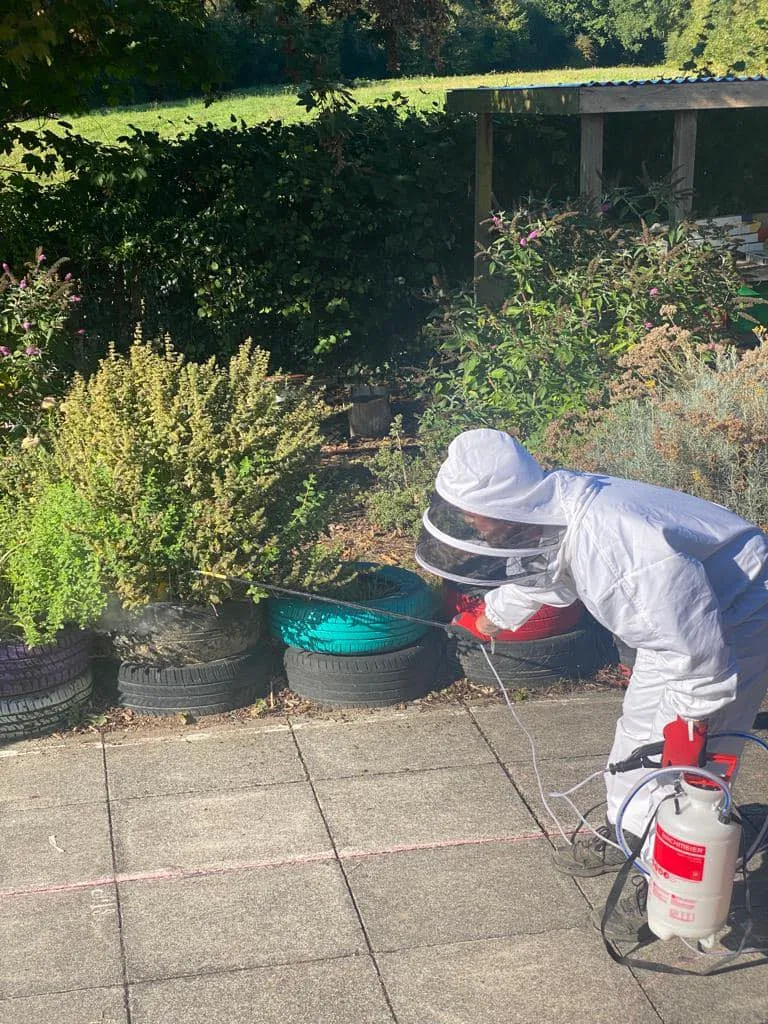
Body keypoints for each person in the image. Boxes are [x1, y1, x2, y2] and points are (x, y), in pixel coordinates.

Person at [415, 428, 768, 941]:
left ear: (505, 502)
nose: (468, 523)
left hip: (738, 614)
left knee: (693, 761)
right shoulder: (548, 513)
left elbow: (698, 654)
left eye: (473, 513)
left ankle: (665, 878)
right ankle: (629, 828)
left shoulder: (619, 550)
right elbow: (544, 574)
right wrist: (488, 619)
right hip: (676, 623)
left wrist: (694, 726)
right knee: (637, 738)